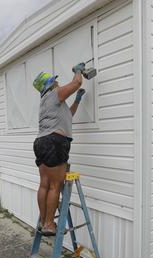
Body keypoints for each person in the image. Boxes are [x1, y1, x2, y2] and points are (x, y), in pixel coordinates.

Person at [32, 63, 86, 235]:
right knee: (56, 185)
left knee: (45, 185)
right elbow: (77, 83)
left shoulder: (45, 101)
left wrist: (77, 100)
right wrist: (78, 70)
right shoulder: (54, 94)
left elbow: (68, 115)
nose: (57, 83)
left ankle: (43, 221)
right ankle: (49, 224)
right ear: (49, 85)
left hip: (41, 142)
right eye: (54, 81)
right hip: (55, 142)